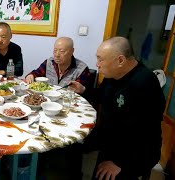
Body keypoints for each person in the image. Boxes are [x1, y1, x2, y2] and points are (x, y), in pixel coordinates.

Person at [70, 36, 165, 180]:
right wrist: (84, 90)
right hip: (111, 136)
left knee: (104, 174)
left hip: (136, 151)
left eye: (101, 59)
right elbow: (101, 95)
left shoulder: (145, 82)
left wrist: (119, 162)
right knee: (70, 145)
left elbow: (146, 132)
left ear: (120, 60)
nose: (97, 64)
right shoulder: (112, 75)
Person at [25, 37, 90, 87]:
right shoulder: (49, 62)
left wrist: (81, 90)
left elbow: (84, 92)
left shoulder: (81, 69)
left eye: (62, 51)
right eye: (55, 50)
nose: (57, 55)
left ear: (72, 51)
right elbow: (37, 73)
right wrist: (31, 75)